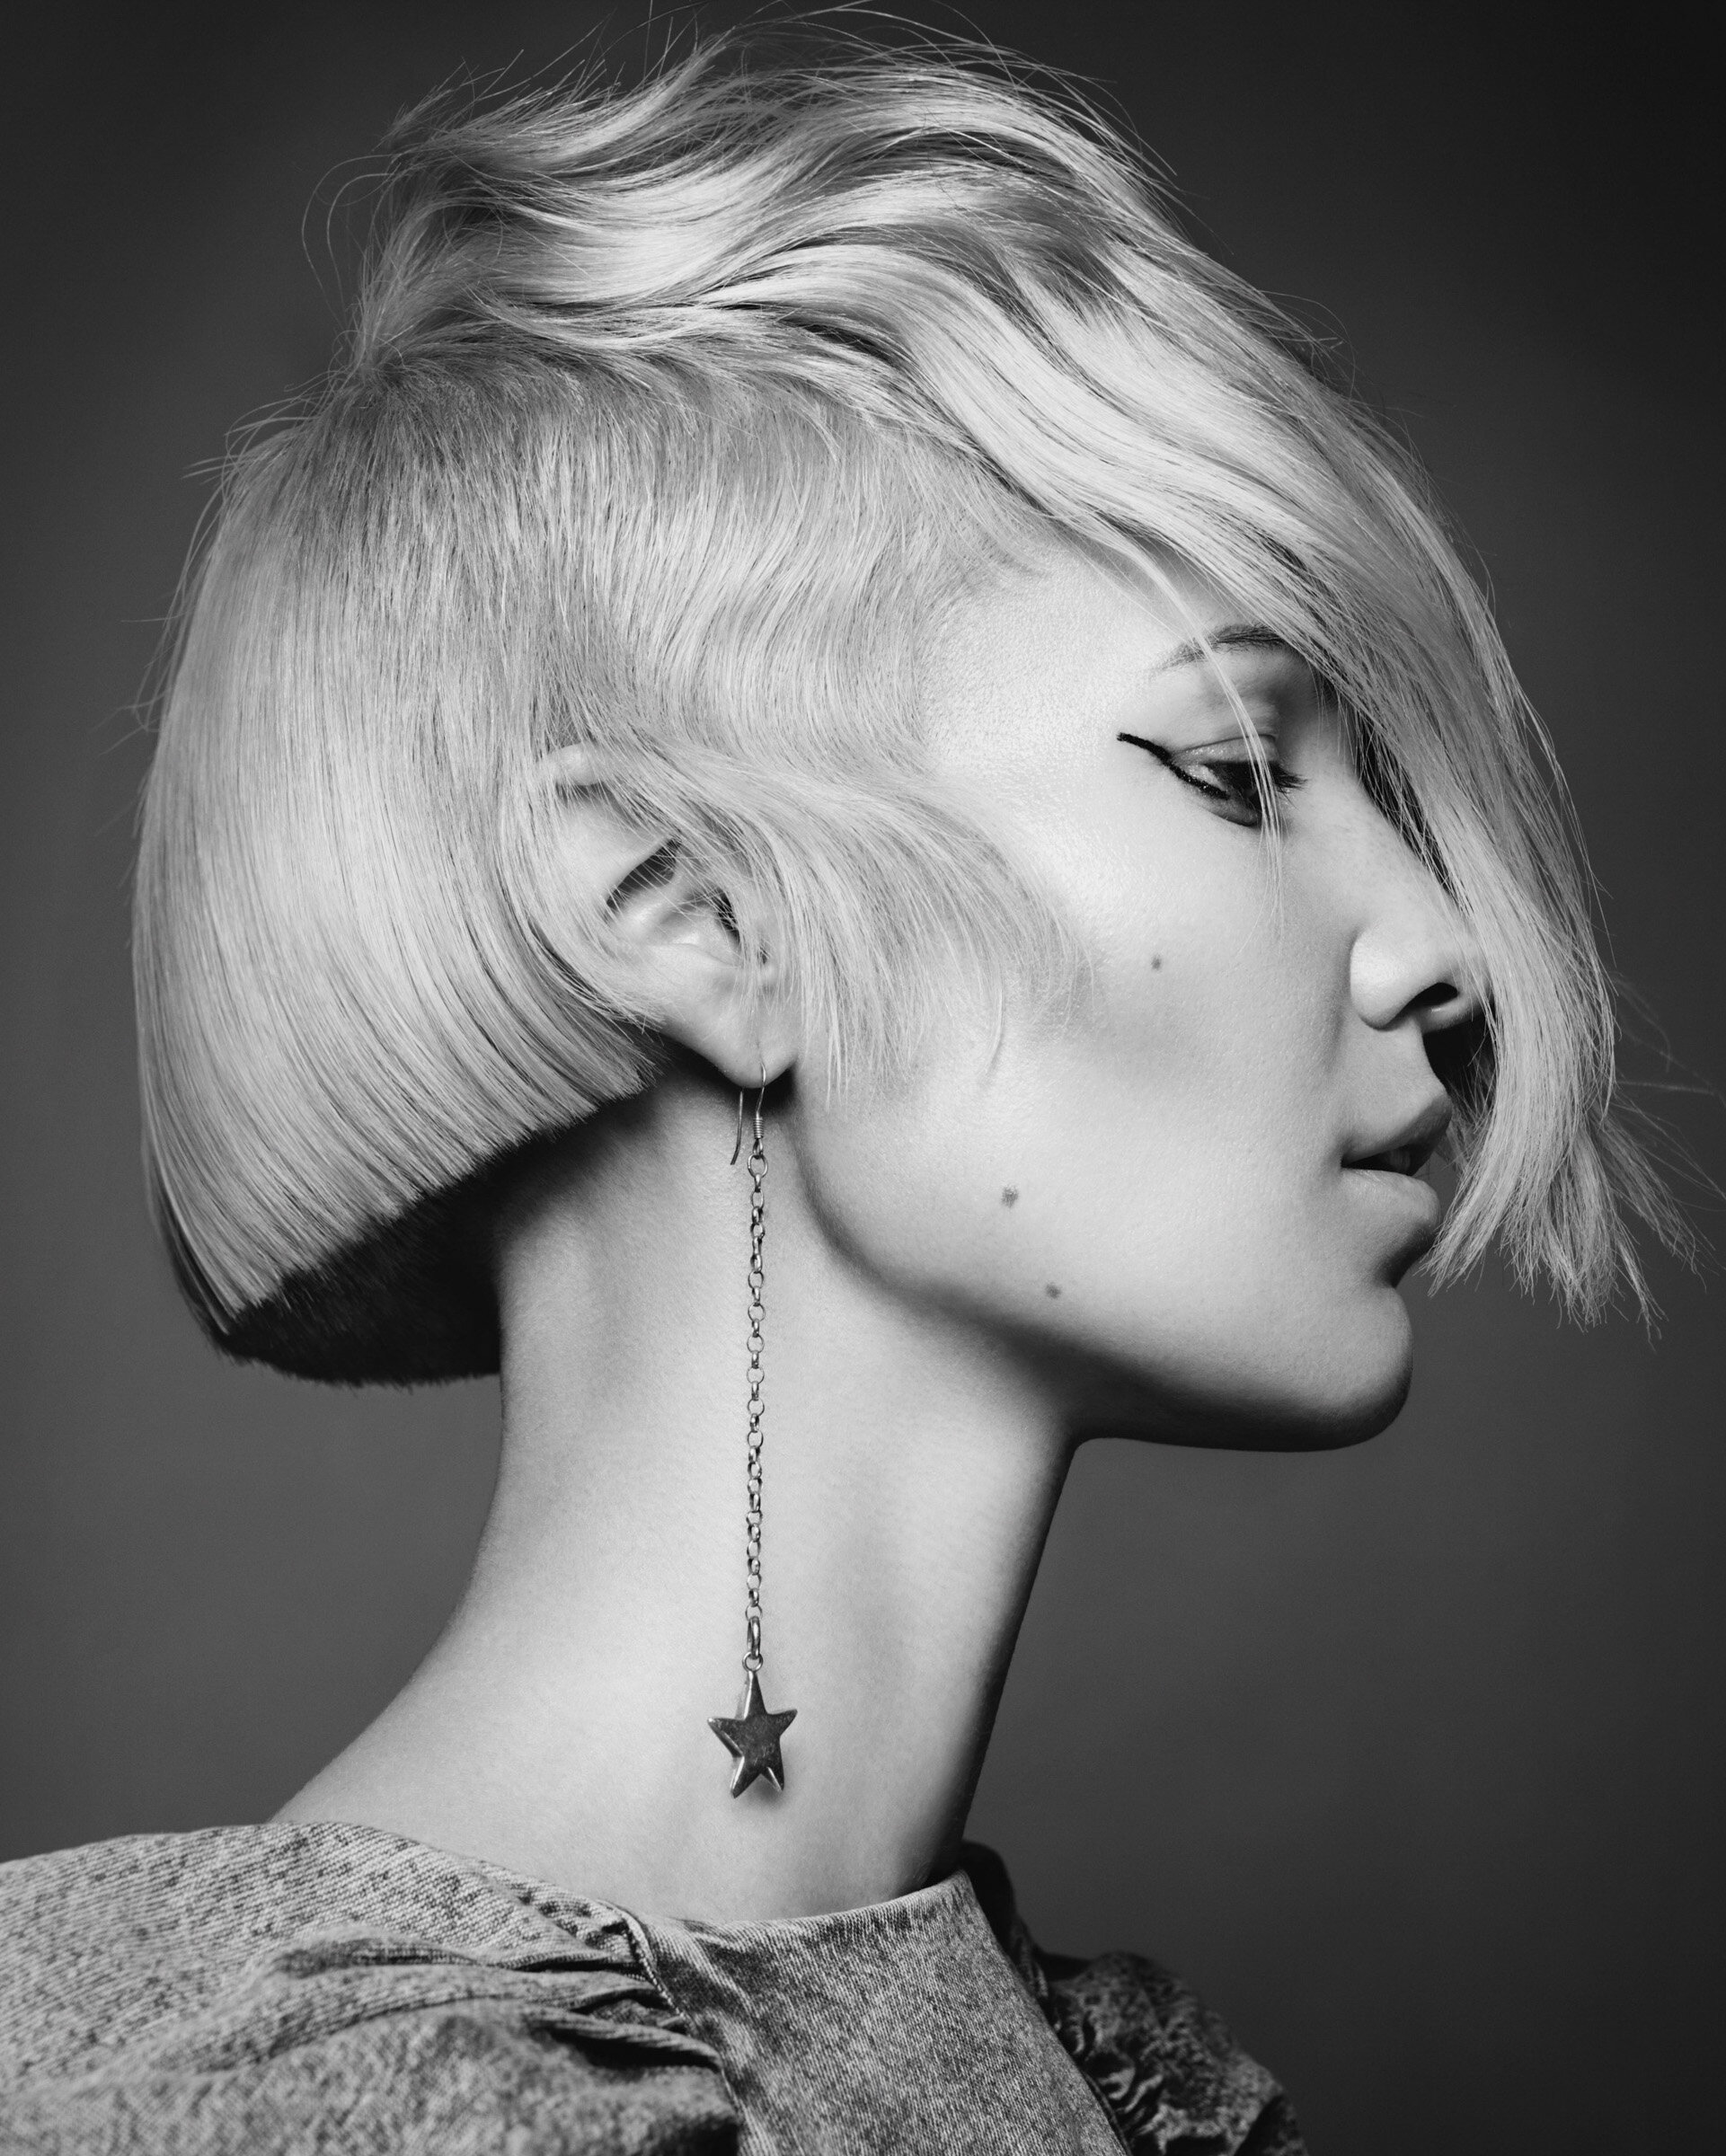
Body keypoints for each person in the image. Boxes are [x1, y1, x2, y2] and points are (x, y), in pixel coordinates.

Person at [0, 25, 1680, 2153]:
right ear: (691, 906)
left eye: (1394, 801)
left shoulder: (1046, 2082)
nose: (1442, 951)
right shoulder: (314, 2111)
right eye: (1234, 769)